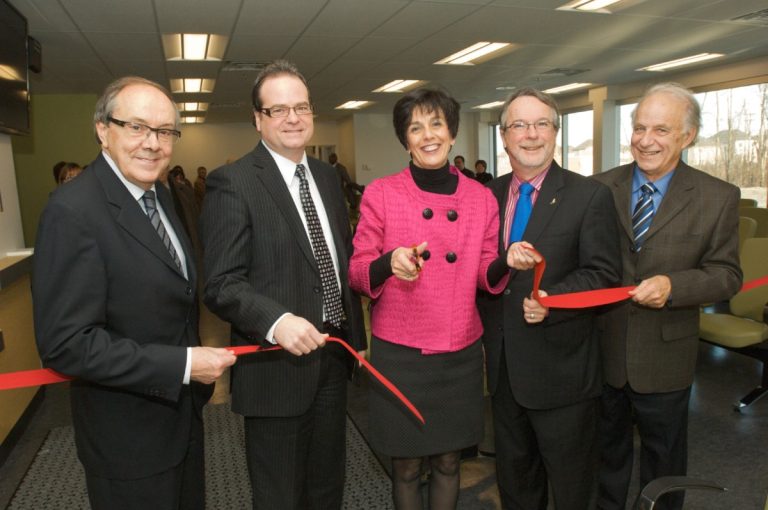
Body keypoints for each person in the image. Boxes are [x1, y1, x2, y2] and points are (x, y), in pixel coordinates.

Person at [31, 76, 236, 510]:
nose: (153, 143)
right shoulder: (72, 211)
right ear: (103, 129)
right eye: (137, 127)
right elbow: (67, 345)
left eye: (165, 131)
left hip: (181, 423)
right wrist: (182, 364)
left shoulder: (162, 195)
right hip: (127, 441)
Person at [200, 60, 366, 510]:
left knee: (327, 488)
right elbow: (219, 283)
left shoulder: (329, 178)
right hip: (275, 370)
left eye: (301, 107)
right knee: (280, 496)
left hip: (332, 359)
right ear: (258, 119)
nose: (293, 118)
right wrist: (275, 321)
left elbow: (339, 262)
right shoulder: (232, 182)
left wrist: (358, 338)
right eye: (278, 110)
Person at [349, 88, 509, 510]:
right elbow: (358, 268)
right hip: (401, 352)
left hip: (457, 351)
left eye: (436, 124)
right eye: (415, 128)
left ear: (452, 133)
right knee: (404, 465)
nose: (427, 135)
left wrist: (510, 261)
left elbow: (484, 269)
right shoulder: (382, 193)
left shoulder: (480, 197)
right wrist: (389, 263)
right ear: (405, 140)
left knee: (448, 460)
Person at [592, 82, 742, 510]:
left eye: (660, 129)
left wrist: (675, 286)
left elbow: (727, 275)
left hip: (665, 355)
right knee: (606, 456)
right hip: (603, 348)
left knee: (665, 463)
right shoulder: (599, 189)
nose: (645, 140)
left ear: (687, 136)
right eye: (639, 128)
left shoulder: (717, 197)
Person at [476, 87, 622, 510]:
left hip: (563, 373)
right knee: (516, 483)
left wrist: (551, 299)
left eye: (542, 123)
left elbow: (603, 275)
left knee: (573, 487)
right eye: (519, 125)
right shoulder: (486, 196)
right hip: (503, 373)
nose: (531, 134)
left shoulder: (588, 195)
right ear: (504, 137)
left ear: (555, 133)